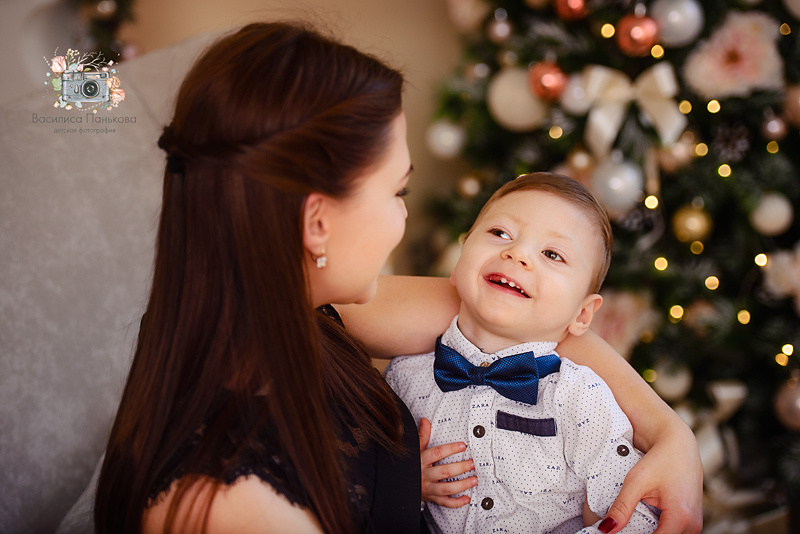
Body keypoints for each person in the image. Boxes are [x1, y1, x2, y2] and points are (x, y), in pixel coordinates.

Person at [93, 20, 703, 534]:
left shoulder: (300, 312)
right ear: (317, 224)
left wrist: (672, 437)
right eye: (397, 190)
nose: (404, 217)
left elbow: (535, 330)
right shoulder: (235, 505)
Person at [384, 172, 661, 533]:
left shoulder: (581, 398)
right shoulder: (403, 377)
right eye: (500, 233)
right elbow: (361, 483)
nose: (516, 253)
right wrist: (405, 484)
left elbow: (634, 517)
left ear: (582, 314)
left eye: (552, 254)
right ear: (457, 262)